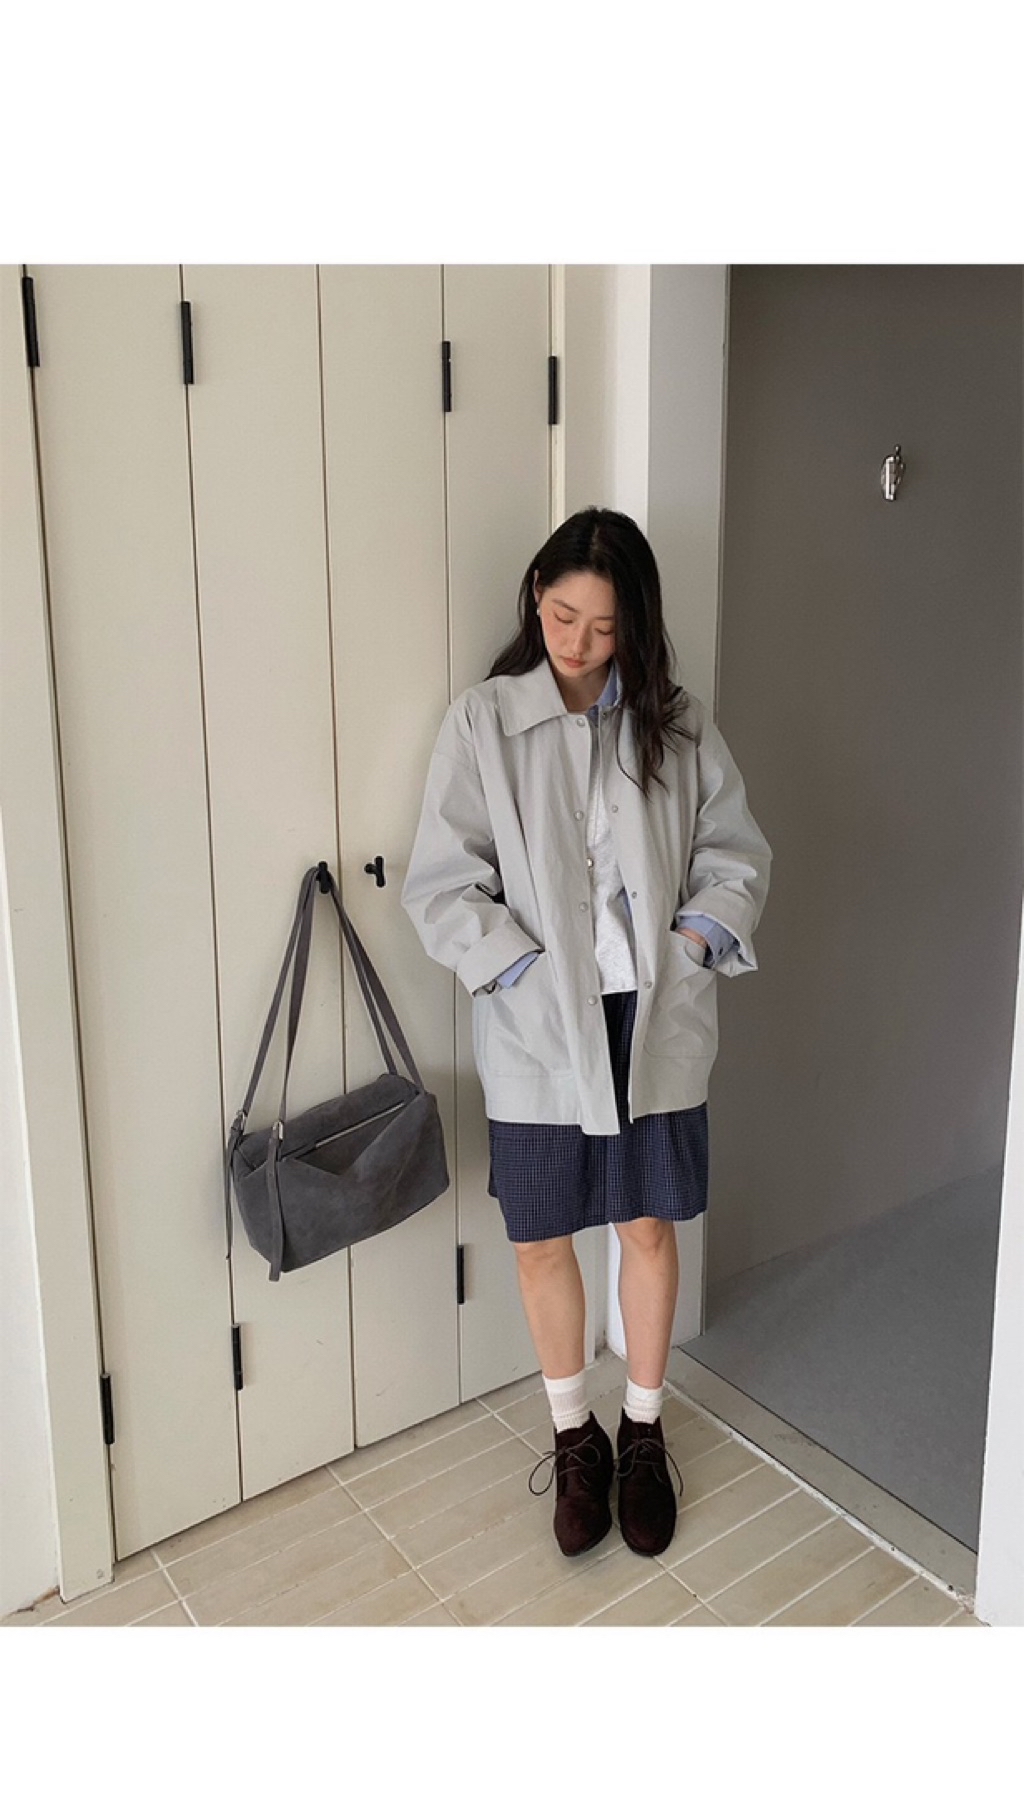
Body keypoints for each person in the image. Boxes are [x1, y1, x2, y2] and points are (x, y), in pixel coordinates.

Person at [401, 507, 771, 1560]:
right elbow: (441, 883)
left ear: (634, 625)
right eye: (563, 615)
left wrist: (694, 941)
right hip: (538, 1023)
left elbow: (736, 853)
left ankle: (643, 1431)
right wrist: (519, 972)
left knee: (646, 1227)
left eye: (604, 627)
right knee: (539, 1237)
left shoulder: (677, 723)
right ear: (536, 595)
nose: (578, 642)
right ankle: (576, 1437)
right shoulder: (483, 722)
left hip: (650, 1013)